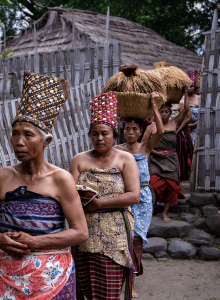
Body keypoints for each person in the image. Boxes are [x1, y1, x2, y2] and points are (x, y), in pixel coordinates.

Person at [0, 71, 88, 300]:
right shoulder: (2, 177)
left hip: (52, 278)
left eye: (28, 135)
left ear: (47, 141)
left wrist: (35, 242)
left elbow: (80, 232)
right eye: (15, 134)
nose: (19, 142)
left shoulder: (60, 179)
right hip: (10, 277)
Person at [70, 92, 140, 300]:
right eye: (94, 133)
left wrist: (99, 204)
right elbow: (70, 193)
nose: (99, 138)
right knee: (85, 288)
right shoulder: (79, 160)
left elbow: (134, 196)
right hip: (84, 232)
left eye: (104, 133)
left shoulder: (125, 159)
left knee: (109, 291)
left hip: (115, 234)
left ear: (114, 135)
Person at [114, 92, 164, 298]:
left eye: (135, 128)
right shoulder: (117, 150)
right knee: (121, 241)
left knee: (136, 242)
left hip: (142, 200)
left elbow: (160, 131)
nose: (131, 132)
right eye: (127, 128)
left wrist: (154, 106)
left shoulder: (146, 148)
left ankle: (131, 285)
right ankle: (119, 282)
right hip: (124, 198)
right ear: (123, 131)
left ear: (141, 130)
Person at [142, 87, 190, 222]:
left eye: (167, 112)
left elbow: (186, 110)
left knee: (171, 186)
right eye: (161, 111)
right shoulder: (151, 127)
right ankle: (151, 207)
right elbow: (144, 145)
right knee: (153, 184)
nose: (164, 114)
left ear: (170, 113)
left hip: (171, 160)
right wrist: (156, 153)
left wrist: (185, 92)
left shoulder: (174, 123)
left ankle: (164, 213)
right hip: (155, 160)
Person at [186, 70, 201, 147]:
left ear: (194, 87)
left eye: (191, 86)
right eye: (187, 86)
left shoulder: (199, 98)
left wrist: (195, 124)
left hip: (197, 126)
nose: (189, 88)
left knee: (195, 145)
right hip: (184, 127)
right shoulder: (181, 99)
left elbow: (203, 114)